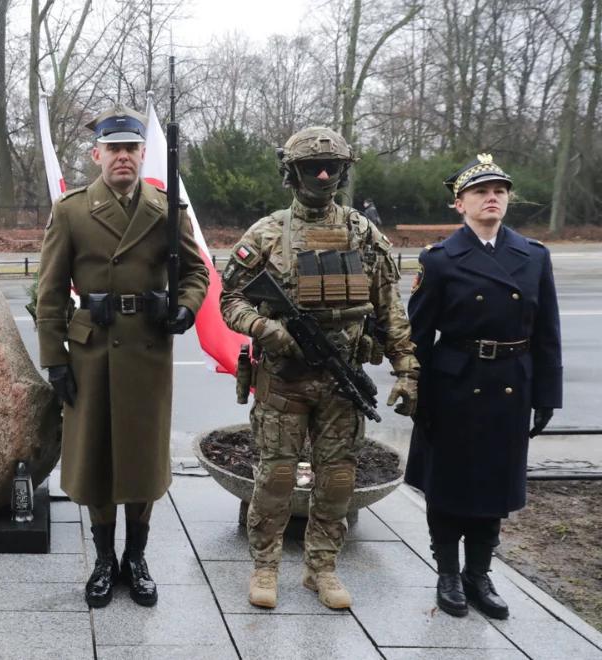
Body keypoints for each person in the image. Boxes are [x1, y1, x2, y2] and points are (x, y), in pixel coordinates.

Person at [220, 127, 418, 610]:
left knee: (337, 478)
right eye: (312, 167)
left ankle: (321, 568)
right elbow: (230, 300)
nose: (323, 175)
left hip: (341, 380)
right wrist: (270, 332)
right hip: (284, 378)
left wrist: (407, 367)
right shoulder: (267, 232)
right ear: (292, 173)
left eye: (332, 167)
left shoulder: (363, 233)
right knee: (276, 477)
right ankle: (265, 566)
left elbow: (389, 306)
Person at [36, 105, 208, 609]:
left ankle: (137, 556)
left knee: (142, 459)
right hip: (92, 352)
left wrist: (182, 308)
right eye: (113, 149)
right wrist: (55, 360)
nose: (123, 158)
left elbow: (197, 273)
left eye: (131, 148)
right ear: (97, 155)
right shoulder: (71, 211)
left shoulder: (166, 208)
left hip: (148, 349)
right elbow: (49, 293)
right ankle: (103, 560)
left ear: (142, 153)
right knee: (96, 460)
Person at [404, 154, 562, 620]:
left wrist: (547, 395)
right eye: (480, 192)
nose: (492, 197)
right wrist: (415, 389)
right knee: (449, 483)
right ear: (460, 204)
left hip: (512, 382)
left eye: (500, 190)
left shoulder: (534, 256)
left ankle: (479, 573)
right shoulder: (439, 260)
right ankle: (448, 573)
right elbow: (416, 335)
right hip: (454, 385)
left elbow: (547, 333)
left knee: (494, 483)